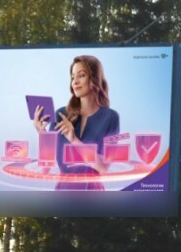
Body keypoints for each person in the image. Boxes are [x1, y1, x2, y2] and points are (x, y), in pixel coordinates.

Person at [32, 55, 120, 185]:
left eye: (81, 75)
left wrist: (73, 139)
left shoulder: (111, 117)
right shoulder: (60, 114)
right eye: (73, 77)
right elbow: (45, 169)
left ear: (95, 78)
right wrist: (43, 134)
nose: (75, 82)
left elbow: (103, 167)